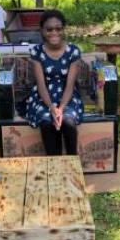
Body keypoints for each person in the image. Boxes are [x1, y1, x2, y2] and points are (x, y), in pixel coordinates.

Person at [24, 9, 83, 155]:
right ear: (42, 30)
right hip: (43, 98)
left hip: (67, 96)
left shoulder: (73, 51)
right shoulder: (36, 52)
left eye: (58, 28)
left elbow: (70, 85)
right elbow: (41, 84)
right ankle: (54, 165)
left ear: (63, 29)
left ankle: (71, 165)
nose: (54, 33)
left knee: (68, 123)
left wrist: (60, 109)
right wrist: (51, 107)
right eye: (49, 29)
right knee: (46, 123)